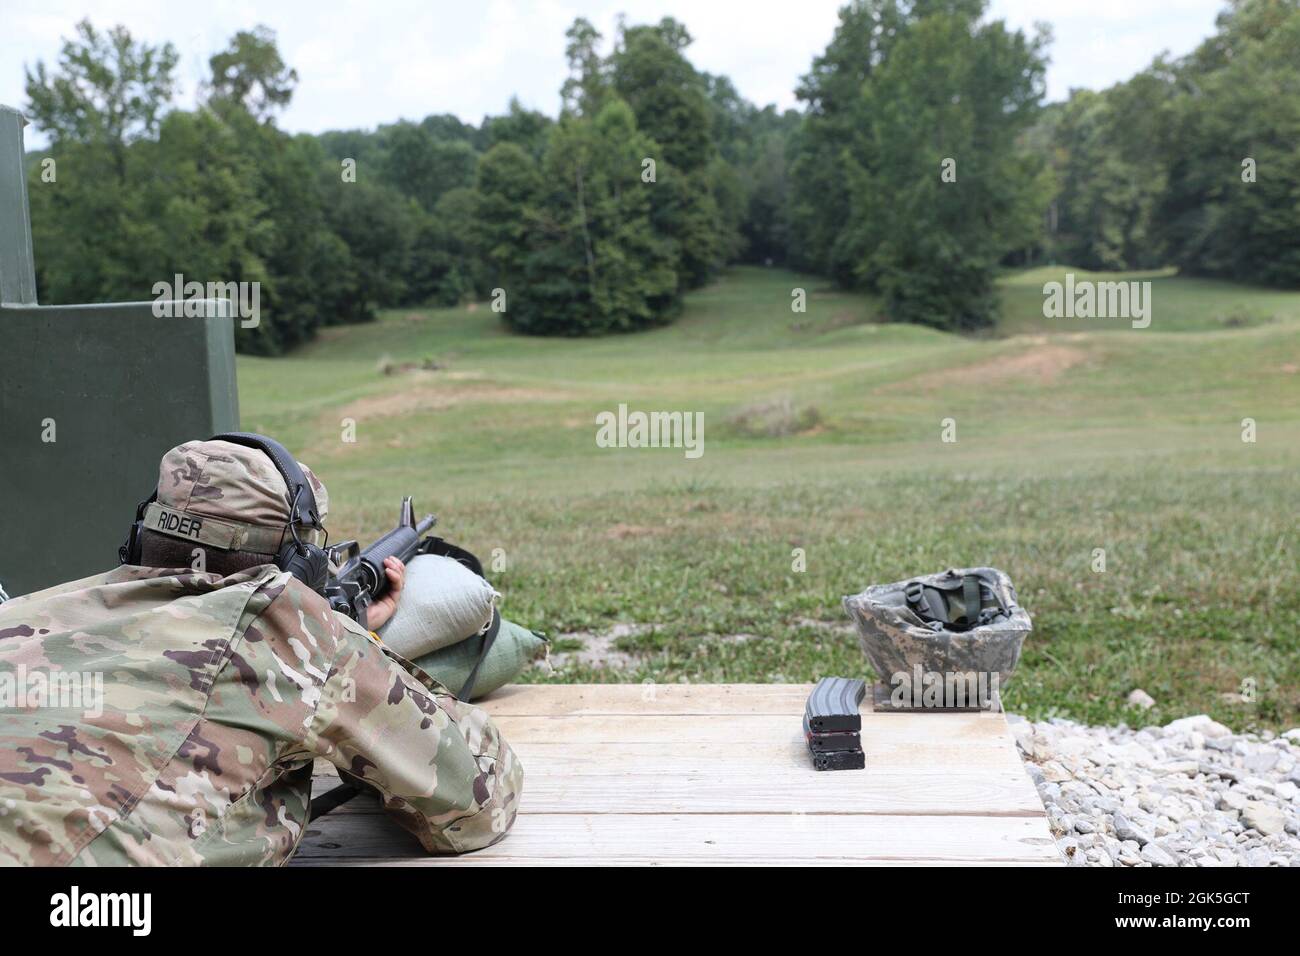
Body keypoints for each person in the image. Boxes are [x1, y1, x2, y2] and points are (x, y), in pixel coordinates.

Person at [0, 436, 523, 866]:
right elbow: (475, 802)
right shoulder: (292, 631)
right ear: (298, 565)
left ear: (142, 534)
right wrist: (345, 642)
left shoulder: (27, 613)